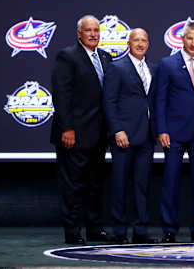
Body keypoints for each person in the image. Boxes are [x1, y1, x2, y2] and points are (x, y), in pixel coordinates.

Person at [51, 15, 113, 245]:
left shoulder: (106, 57)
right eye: (88, 30)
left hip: (98, 135)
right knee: (73, 185)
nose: (93, 34)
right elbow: (62, 95)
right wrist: (67, 128)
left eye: (96, 30)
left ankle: (94, 228)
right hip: (73, 134)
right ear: (79, 33)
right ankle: (73, 231)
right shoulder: (67, 56)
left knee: (95, 184)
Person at [155, 22, 194, 243]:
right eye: (190, 38)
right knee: (171, 181)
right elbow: (159, 100)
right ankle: (169, 229)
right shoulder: (167, 64)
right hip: (173, 133)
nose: (193, 43)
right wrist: (161, 129)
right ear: (182, 39)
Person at [103, 28, 157, 244]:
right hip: (123, 137)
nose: (140, 43)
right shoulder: (117, 67)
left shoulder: (153, 68)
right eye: (136, 40)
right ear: (128, 43)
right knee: (120, 185)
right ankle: (119, 231)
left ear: (148, 44)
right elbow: (109, 101)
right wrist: (117, 130)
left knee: (141, 185)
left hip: (146, 137)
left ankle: (140, 231)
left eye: (144, 40)